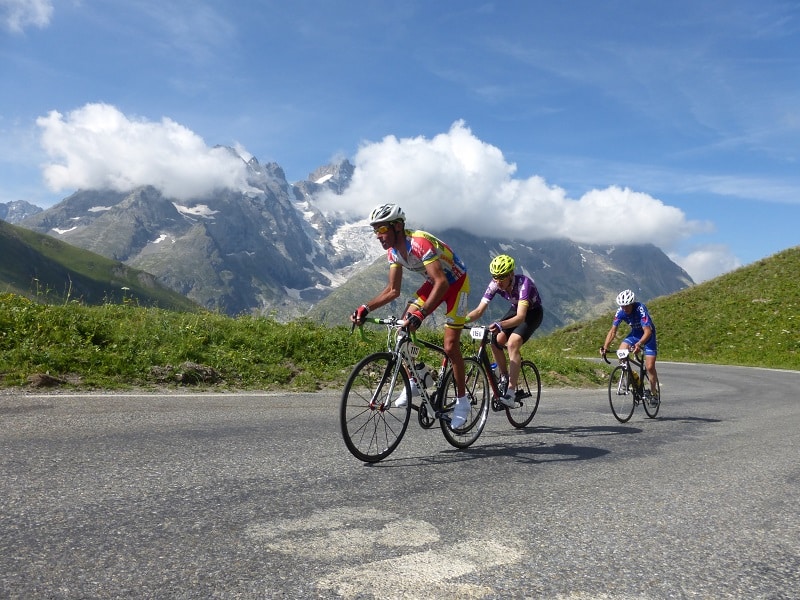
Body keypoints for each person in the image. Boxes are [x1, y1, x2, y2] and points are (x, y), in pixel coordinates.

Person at [350, 203, 473, 428]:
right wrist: (365, 308)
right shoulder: (393, 252)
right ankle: (417, 379)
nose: (378, 236)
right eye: (375, 231)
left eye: (382, 230)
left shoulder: (419, 244)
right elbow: (392, 290)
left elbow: (443, 282)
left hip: (456, 283)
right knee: (403, 329)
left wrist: (422, 314)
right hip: (434, 284)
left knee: (450, 345)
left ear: (398, 227)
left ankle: (462, 402)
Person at [466, 254, 544, 407]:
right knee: (496, 340)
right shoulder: (495, 284)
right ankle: (503, 376)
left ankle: (511, 392)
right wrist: (461, 320)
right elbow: (479, 311)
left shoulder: (523, 284)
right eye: (495, 277)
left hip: (532, 313)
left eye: (501, 277)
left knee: (512, 343)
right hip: (516, 309)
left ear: (511, 275)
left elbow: (521, 317)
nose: (498, 281)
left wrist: (501, 325)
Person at [600, 289, 660, 404]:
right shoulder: (620, 312)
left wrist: (639, 344)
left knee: (649, 367)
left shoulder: (640, 309)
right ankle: (633, 378)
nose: (624, 309)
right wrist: (605, 347)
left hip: (648, 336)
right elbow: (613, 331)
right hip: (635, 334)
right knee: (621, 352)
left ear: (632, 303)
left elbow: (647, 332)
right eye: (622, 306)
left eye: (627, 306)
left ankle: (654, 393)